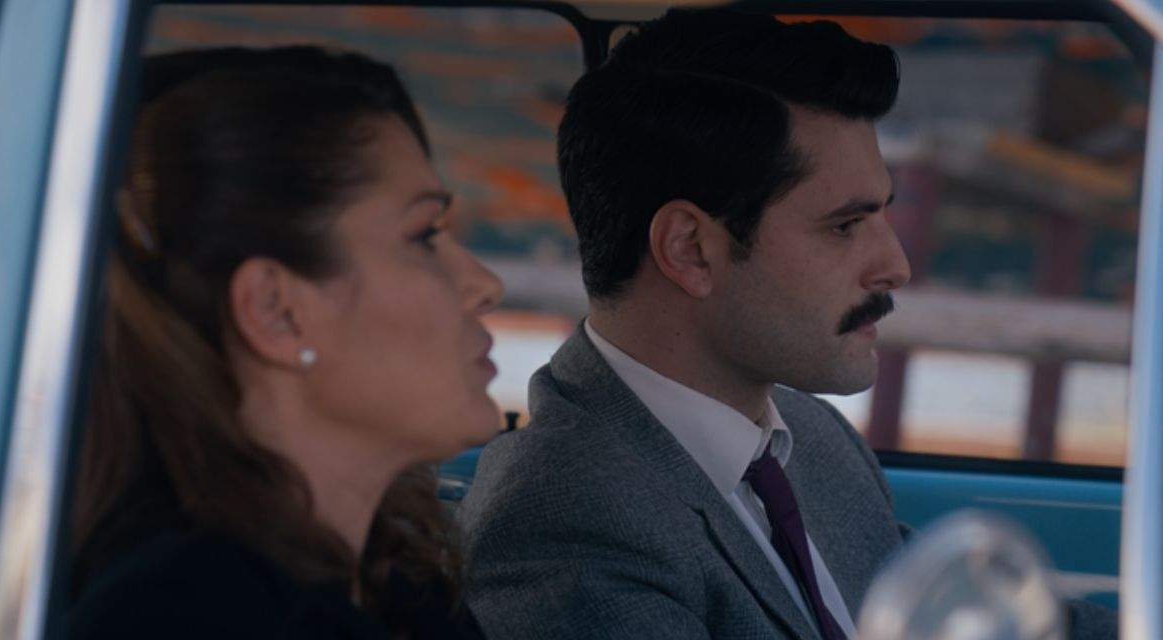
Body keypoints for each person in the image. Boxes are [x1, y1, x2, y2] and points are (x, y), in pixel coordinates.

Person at [459, 10, 1116, 640]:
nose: (895, 266)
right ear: (690, 250)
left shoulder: (810, 438)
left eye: (883, 216)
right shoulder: (565, 523)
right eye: (845, 226)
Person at [65, 46, 503, 639]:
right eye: (424, 235)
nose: (484, 285)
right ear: (276, 311)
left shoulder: (402, 589)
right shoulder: (182, 618)